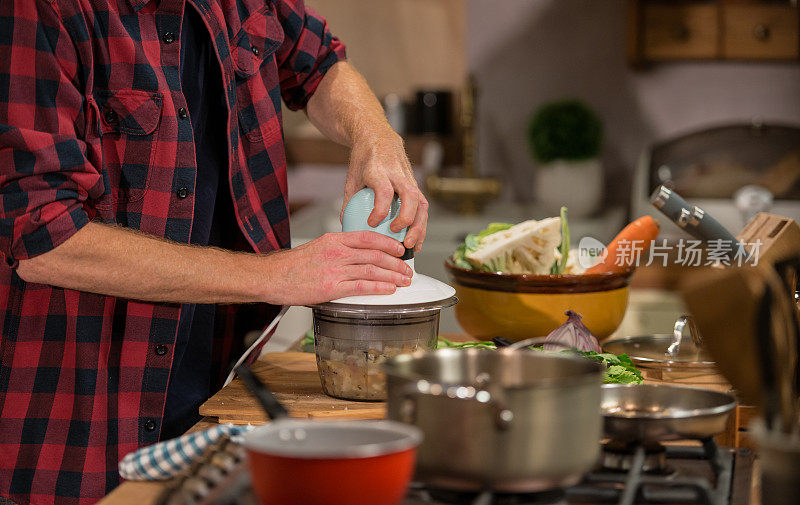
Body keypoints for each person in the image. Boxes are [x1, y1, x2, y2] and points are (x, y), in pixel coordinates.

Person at [0, 0, 429, 503]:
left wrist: (376, 137)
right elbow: (46, 240)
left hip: (220, 388)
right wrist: (278, 275)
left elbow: (319, 65)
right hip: (81, 418)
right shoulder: (42, 10)